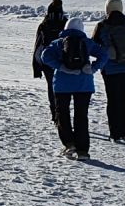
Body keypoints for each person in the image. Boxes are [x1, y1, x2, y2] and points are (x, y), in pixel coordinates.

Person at [37, 16, 108, 159]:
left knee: (62, 114)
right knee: (81, 116)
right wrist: (93, 68)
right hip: (84, 84)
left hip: (62, 84)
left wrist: (61, 67)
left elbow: (44, 56)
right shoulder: (87, 43)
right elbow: (104, 55)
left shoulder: (58, 43)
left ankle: (69, 144)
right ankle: (83, 150)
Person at [92, 0, 125, 142]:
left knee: (113, 99)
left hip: (110, 68)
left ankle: (115, 133)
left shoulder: (102, 25)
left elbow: (94, 46)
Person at [31, 0, 66, 124]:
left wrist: (36, 68)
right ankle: (63, 114)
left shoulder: (45, 24)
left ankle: (55, 115)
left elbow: (38, 46)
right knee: (63, 89)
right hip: (64, 61)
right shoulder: (65, 23)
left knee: (52, 88)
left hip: (48, 62)